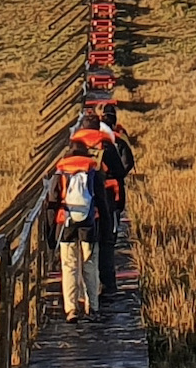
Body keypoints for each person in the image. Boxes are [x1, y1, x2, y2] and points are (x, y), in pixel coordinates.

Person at [71, 105, 134, 297]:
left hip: (80, 202)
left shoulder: (74, 147)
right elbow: (121, 169)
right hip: (107, 198)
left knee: (81, 246)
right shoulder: (106, 145)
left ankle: (81, 292)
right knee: (106, 243)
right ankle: (107, 286)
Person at [49, 139, 105, 318]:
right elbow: (101, 200)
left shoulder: (61, 171)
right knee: (90, 264)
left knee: (69, 266)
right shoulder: (92, 170)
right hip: (89, 223)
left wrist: (51, 232)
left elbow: (52, 201)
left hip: (66, 224)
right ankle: (93, 307)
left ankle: (71, 308)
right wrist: (106, 227)